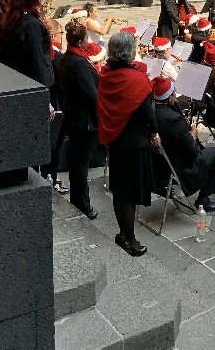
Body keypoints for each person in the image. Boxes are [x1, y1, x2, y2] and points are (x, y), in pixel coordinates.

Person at [97, 33, 158, 257]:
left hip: (115, 141)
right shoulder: (136, 79)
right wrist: (154, 132)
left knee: (120, 191)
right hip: (133, 143)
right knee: (130, 194)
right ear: (129, 52)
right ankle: (129, 238)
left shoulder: (106, 75)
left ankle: (123, 233)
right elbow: (147, 113)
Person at [153, 75, 215, 212]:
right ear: (169, 97)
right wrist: (193, 136)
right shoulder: (174, 120)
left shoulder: (151, 111)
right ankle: (203, 199)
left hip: (157, 166)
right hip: (178, 168)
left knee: (207, 156)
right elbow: (193, 151)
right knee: (214, 153)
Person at [58, 20, 99, 220]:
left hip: (74, 116)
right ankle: (83, 206)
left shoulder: (67, 58)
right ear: (82, 41)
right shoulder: (79, 63)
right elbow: (92, 95)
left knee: (77, 163)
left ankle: (78, 202)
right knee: (81, 165)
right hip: (84, 121)